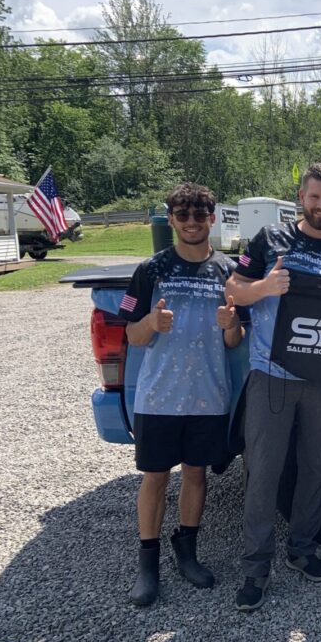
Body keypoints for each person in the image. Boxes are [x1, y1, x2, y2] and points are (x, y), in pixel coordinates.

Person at [226, 162, 321, 612]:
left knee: (314, 467)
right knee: (264, 472)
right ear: (301, 197)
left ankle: (302, 549)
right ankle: (256, 567)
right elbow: (234, 287)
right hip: (274, 374)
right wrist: (266, 287)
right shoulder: (271, 240)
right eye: (315, 197)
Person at [119, 182, 243, 607]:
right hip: (158, 399)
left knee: (196, 474)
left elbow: (233, 342)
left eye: (200, 214)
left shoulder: (228, 272)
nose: (192, 221)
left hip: (209, 396)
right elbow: (132, 337)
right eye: (183, 214)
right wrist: (151, 322)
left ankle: (187, 551)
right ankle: (147, 565)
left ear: (212, 219)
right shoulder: (150, 270)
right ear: (170, 219)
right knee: (155, 478)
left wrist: (231, 324)